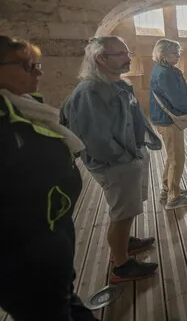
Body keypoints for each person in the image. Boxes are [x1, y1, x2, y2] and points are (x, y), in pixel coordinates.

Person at [0, 36, 98, 320]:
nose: (38, 72)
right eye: (25, 65)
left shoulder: (27, 108)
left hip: (51, 236)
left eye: (36, 64)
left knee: (63, 303)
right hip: (22, 256)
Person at [61, 36, 161, 284]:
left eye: (128, 52)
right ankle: (121, 265)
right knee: (122, 213)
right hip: (115, 163)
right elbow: (95, 138)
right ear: (101, 59)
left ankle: (125, 243)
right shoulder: (91, 91)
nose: (128, 57)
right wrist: (125, 157)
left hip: (128, 157)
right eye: (121, 54)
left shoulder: (118, 84)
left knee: (129, 208)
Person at [149, 39, 187, 210]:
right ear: (162, 54)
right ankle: (173, 198)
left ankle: (167, 189)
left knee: (172, 157)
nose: (177, 56)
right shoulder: (165, 73)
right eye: (173, 53)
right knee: (177, 159)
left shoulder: (164, 69)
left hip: (165, 118)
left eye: (178, 52)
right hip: (169, 120)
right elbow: (178, 99)